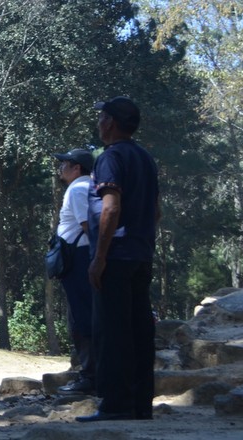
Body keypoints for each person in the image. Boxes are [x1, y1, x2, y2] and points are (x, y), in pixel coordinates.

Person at [79, 96, 159, 422]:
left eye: (101, 117)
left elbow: (110, 208)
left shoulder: (110, 158)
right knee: (139, 331)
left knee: (111, 331)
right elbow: (156, 212)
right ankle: (140, 405)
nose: (98, 123)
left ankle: (115, 405)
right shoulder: (145, 158)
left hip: (116, 256)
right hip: (141, 254)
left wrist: (100, 257)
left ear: (109, 122)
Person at [52, 148, 97, 394]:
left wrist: (98, 257)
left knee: (82, 318)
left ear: (77, 168)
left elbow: (89, 226)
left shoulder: (78, 189)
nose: (61, 168)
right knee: (83, 315)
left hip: (80, 258)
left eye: (65, 163)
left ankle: (90, 377)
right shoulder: (88, 187)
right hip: (82, 257)